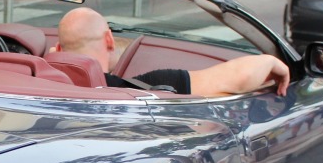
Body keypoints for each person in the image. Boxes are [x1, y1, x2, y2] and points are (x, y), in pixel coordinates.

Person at [51, 7, 290, 97]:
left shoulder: (33, 78)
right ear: (109, 40)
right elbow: (238, 79)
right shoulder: (141, 87)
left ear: (59, 49)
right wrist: (270, 60)